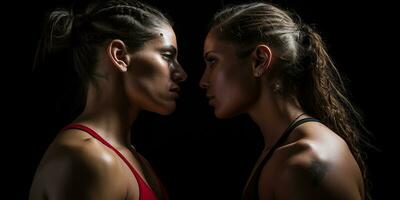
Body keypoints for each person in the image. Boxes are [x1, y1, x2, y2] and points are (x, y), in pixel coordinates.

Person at [200, 2, 369, 200]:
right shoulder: (285, 149)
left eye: (212, 61)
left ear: (259, 60)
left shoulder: (301, 165)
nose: (203, 81)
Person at [29, 0, 186, 199]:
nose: (182, 73)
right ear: (119, 55)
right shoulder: (90, 158)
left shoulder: (132, 159)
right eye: (167, 55)